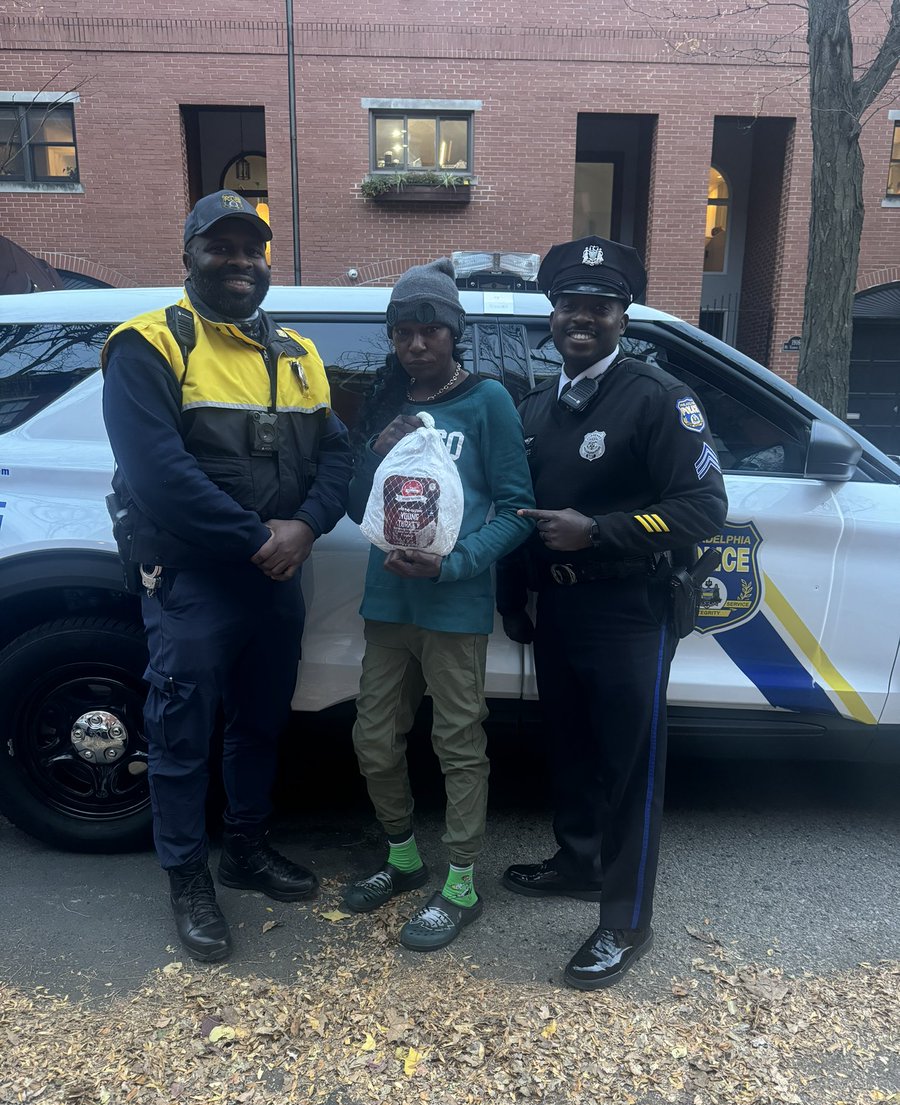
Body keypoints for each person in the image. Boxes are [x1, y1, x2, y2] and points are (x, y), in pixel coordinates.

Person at [101, 190, 353, 963]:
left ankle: (244, 848)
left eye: (251, 249)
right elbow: (158, 473)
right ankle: (187, 878)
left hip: (277, 576)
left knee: (259, 722)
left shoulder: (300, 353)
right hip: (195, 580)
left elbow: (339, 455)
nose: (239, 261)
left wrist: (306, 526)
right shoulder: (148, 345)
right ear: (190, 256)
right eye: (222, 247)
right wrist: (257, 539)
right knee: (180, 733)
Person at [496, 236, 728, 989]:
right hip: (558, 604)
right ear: (553, 313)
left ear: (622, 316)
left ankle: (626, 920)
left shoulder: (656, 399)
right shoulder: (536, 408)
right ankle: (579, 862)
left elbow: (703, 507)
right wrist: (514, 594)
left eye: (599, 306)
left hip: (631, 604)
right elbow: (516, 510)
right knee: (570, 748)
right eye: (570, 305)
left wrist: (600, 531)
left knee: (629, 766)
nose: (582, 318)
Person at [342, 258, 534, 951]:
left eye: (430, 331)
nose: (417, 345)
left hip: (453, 604)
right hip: (388, 601)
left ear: (454, 333)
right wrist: (375, 453)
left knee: (456, 742)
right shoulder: (386, 401)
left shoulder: (487, 403)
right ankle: (401, 859)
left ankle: (459, 883)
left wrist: (454, 563)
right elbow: (354, 501)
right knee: (373, 737)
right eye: (403, 333)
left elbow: (516, 510)